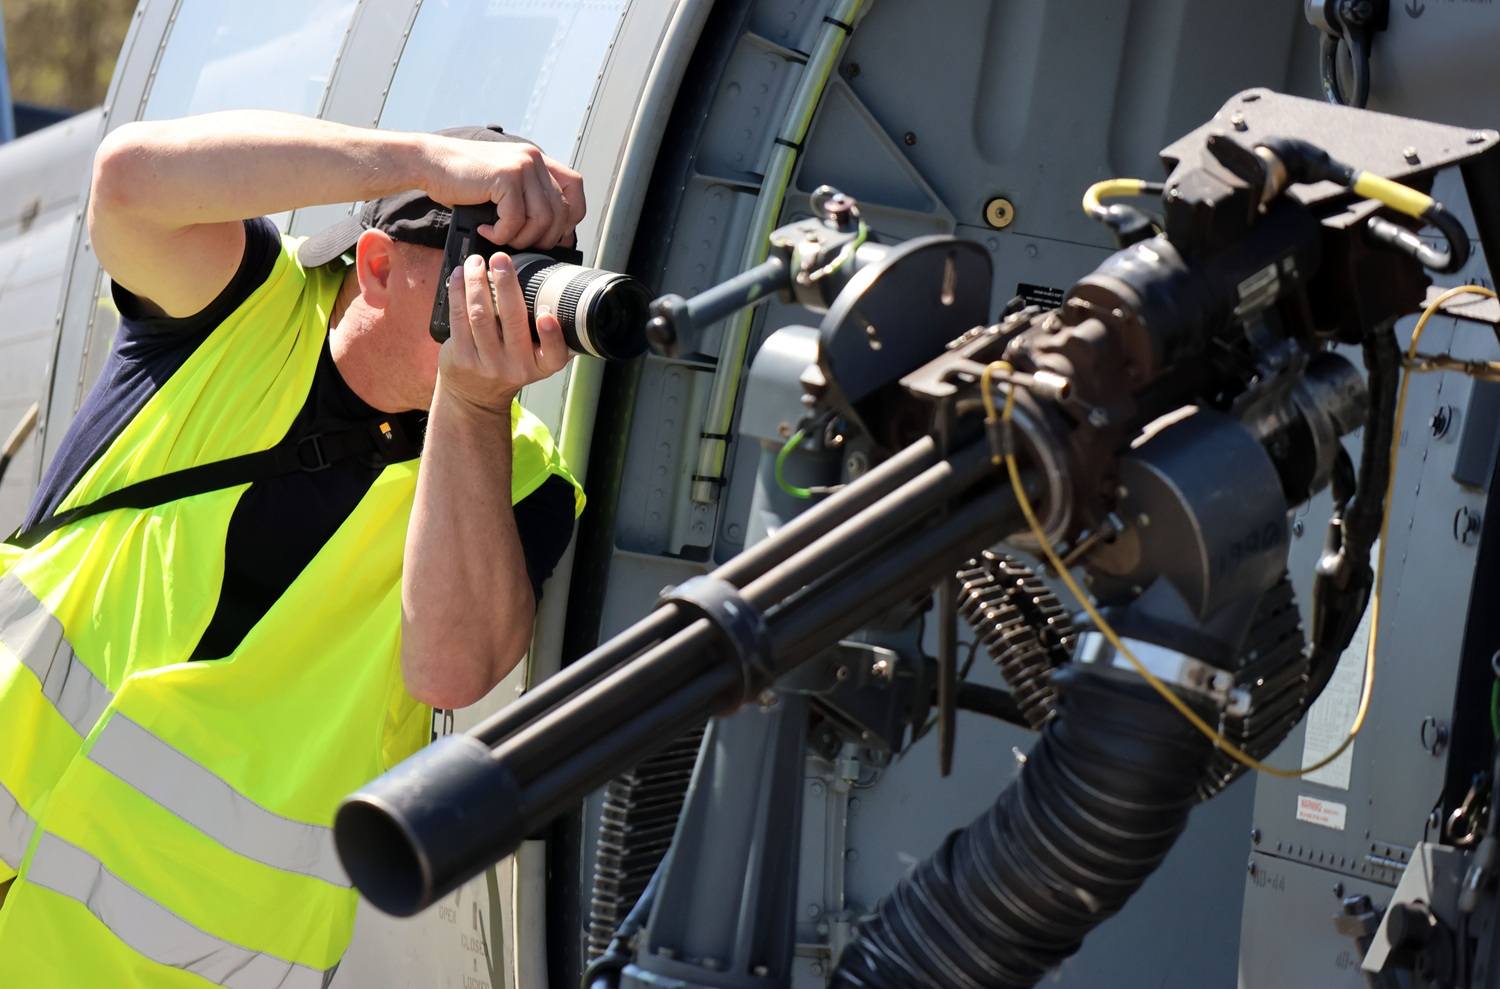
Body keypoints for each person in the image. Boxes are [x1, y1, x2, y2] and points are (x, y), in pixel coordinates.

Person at [0, 112, 590, 986]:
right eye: (481, 265)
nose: (501, 301)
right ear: (377, 265)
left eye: (533, 278)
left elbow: (450, 667)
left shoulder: (523, 481)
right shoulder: (243, 308)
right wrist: (423, 160)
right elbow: (125, 181)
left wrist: (471, 404)